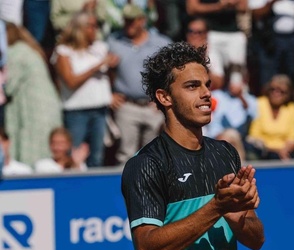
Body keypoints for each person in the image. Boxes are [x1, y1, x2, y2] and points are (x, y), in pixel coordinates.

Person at [121, 41, 264, 250]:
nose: (206, 93)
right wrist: (217, 207)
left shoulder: (226, 154)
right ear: (165, 97)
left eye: (207, 84)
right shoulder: (146, 164)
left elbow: (256, 240)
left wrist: (237, 217)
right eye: (192, 86)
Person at [51, 11, 119, 167]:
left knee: (97, 156)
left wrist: (111, 94)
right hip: (77, 112)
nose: (96, 29)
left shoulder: (100, 47)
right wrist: (97, 66)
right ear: (80, 28)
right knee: (74, 157)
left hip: (100, 110)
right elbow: (70, 81)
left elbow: (108, 76)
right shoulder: (63, 51)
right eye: (92, 26)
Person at [107, 4, 171, 165]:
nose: (128, 25)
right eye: (126, 21)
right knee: (125, 155)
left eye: (132, 21)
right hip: (127, 105)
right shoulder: (114, 41)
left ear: (142, 20)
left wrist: (163, 100)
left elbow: (172, 74)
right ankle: (124, 190)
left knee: (154, 155)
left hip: (153, 106)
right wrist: (109, 94)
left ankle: (151, 189)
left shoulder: (161, 43)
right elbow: (103, 70)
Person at [4, 22, 63, 166]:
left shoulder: (16, 52)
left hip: (34, 109)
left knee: (32, 152)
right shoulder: (30, 50)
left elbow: (8, 85)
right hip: (47, 107)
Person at [203, 69, 258, 161]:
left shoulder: (251, 100)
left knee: (232, 136)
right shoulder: (218, 96)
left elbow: (253, 117)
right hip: (215, 136)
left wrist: (241, 97)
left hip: (241, 139)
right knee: (229, 136)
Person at [246, 74, 294, 161]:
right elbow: (254, 136)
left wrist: (283, 151)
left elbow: (293, 138)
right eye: (273, 90)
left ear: (287, 94)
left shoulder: (291, 108)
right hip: (262, 151)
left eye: (281, 91)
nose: (276, 93)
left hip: (285, 152)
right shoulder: (259, 103)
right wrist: (277, 151)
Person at [184, 16, 224, 90]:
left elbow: (218, 83)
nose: (194, 35)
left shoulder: (212, 53)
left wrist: (201, 57)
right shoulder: (179, 53)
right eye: (191, 31)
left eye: (199, 32)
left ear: (206, 34)